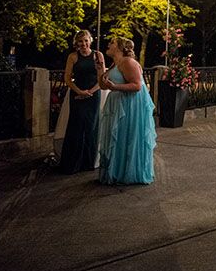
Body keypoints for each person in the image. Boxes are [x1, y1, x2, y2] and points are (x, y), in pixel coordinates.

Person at [95, 37, 157, 185]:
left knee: (126, 138)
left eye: (112, 43)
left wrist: (115, 87)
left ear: (120, 47)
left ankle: (128, 173)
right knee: (118, 139)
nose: (108, 45)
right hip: (117, 104)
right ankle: (117, 171)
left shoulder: (128, 62)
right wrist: (99, 71)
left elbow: (137, 86)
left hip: (129, 105)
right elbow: (103, 86)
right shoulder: (113, 64)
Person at [58, 30, 104, 174]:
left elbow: (101, 78)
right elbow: (66, 78)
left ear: (90, 40)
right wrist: (79, 91)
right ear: (76, 43)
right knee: (76, 128)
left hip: (93, 95)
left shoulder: (98, 55)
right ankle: (72, 164)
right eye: (80, 41)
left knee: (91, 128)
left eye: (86, 40)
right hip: (77, 95)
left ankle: (88, 163)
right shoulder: (72, 56)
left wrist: (90, 92)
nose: (83, 44)